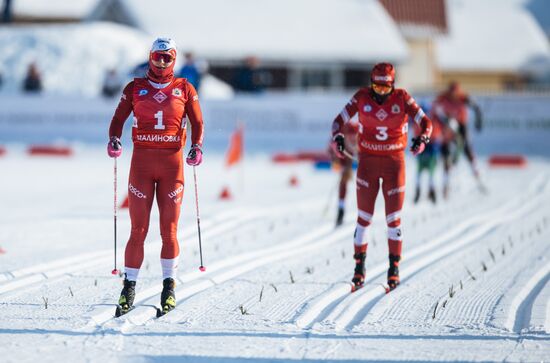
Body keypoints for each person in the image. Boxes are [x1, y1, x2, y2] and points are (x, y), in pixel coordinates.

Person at [107, 37, 204, 316]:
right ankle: (129, 287)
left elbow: (197, 122)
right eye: (158, 56)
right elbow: (117, 119)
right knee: (138, 230)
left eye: (168, 57)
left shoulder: (185, 88)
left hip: (172, 165)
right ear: (150, 57)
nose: (162, 62)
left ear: (175, 60)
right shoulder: (135, 87)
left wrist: (196, 147)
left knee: (169, 230)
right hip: (142, 165)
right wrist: (114, 139)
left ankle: (169, 287)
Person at [331, 62, 432, 292]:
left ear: (393, 85)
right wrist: (338, 137)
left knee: (393, 219)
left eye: (386, 89)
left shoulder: (403, 98)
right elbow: (338, 121)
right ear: (371, 83)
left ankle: (393, 269)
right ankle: (359, 268)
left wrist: (423, 140)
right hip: (367, 162)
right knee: (364, 217)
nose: (381, 93)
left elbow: (426, 122)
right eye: (377, 87)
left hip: (394, 163)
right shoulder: (361, 97)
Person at [432, 81, 483, 198]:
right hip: (449, 124)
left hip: (461, 125)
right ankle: (446, 182)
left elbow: (476, 107)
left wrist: (478, 121)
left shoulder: (463, 97)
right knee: (445, 150)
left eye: (455, 94)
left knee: (467, 148)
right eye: (451, 94)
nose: (453, 97)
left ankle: (476, 175)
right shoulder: (443, 97)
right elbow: (434, 108)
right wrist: (441, 120)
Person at [329, 120, 358, 227]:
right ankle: (341, 208)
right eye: (350, 137)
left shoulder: (358, 135)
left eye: (354, 137)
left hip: (354, 156)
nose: (352, 139)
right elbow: (332, 152)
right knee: (344, 180)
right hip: (342, 157)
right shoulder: (338, 140)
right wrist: (338, 163)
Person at [413, 101, 441, 204]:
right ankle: (428, 191)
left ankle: (421, 191)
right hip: (429, 149)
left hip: (426, 148)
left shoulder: (418, 122)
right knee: (429, 173)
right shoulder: (433, 121)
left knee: (422, 173)